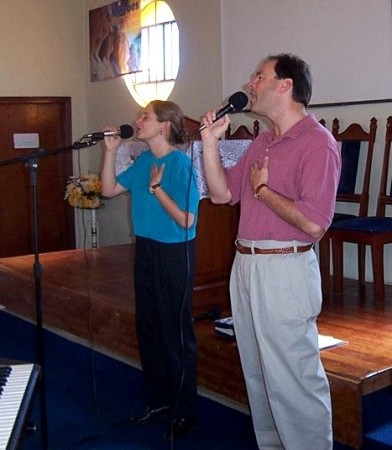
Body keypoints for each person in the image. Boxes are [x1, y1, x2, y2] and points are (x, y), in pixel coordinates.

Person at [200, 54, 341, 450]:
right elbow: (221, 193)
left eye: (259, 76)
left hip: (285, 267)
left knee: (293, 377)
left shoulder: (317, 143)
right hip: (246, 265)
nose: (250, 83)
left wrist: (263, 191)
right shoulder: (263, 140)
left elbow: (315, 224)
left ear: (285, 85)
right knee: (259, 374)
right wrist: (210, 143)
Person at [101, 100, 200, 440]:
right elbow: (108, 189)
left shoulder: (180, 163)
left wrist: (157, 190)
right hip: (145, 249)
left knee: (175, 332)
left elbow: (187, 220)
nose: (137, 121)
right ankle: (159, 400)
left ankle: (185, 409)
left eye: (146, 116)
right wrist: (110, 152)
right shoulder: (144, 160)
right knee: (150, 327)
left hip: (174, 253)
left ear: (164, 126)